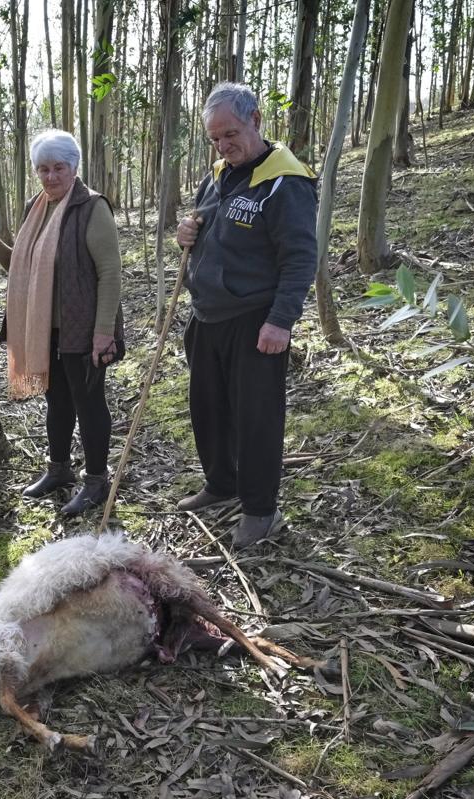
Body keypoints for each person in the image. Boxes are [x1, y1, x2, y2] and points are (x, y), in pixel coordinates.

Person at [174, 82, 317, 549]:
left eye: (230, 134)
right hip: (207, 314)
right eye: (214, 138)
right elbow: (203, 224)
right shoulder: (218, 173)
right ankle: (221, 484)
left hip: (255, 319)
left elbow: (299, 258)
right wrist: (187, 235)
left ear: (256, 120)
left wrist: (281, 321)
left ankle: (260, 510)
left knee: (256, 418)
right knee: (208, 409)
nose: (223, 145)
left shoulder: (285, 181)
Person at [0, 129, 124, 516]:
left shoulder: (92, 208)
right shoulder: (35, 208)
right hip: (45, 328)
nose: (51, 177)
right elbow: (21, 268)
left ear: (74, 167)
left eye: (59, 168)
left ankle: (96, 481)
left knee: (89, 403)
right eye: (43, 169)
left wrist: (103, 334)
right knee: (56, 401)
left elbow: (110, 273)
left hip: (86, 328)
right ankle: (58, 470)